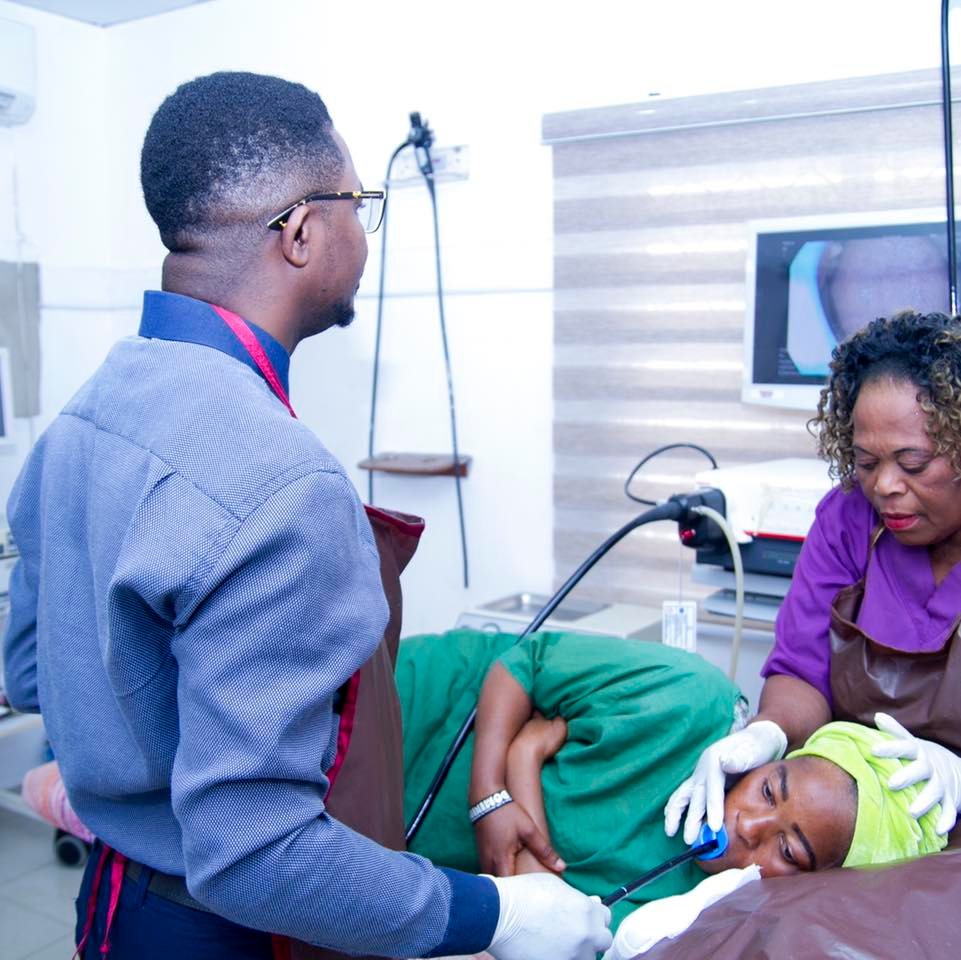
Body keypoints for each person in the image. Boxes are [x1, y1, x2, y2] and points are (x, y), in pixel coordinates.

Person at [0, 72, 610, 960]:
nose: (364, 233)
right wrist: (498, 916)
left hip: (114, 906)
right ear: (300, 231)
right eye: (358, 204)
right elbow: (255, 855)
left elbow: (31, 671)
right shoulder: (282, 483)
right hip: (220, 933)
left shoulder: (81, 420)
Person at [397, 629, 946, 932]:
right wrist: (489, 794)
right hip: (424, 704)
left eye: (788, 850)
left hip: (405, 843)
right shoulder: (690, 698)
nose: (749, 824)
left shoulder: (686, 915)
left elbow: (540, 915)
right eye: (768, 789)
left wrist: (525, 758)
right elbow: (524, 664)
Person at [665, 309, 961, 847]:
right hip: (849, 826)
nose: (885, 486)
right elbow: (803, 671)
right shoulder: (849, 520)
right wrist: (768, 731)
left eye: (913, 463)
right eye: (866, 462)